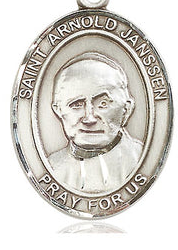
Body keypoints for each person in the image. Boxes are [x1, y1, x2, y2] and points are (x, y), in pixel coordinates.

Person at [49, 52, 143, 193]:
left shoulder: (141, 159)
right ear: (58, 110)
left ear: (126, 109)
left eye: (103, 104)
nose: (89, 119)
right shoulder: (52, 166)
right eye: (76, 105)